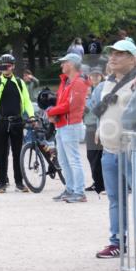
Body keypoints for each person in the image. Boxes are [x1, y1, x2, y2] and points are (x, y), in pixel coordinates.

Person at [94, 39, 136, 258]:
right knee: (114, 199)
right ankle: (117, 242)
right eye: (112, 53)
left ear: (133, 58)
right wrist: (99, 129)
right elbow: (103, 109)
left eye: (119, 54)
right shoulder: (107, 82)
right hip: (109, 150)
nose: (113, 57)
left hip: (131, 150)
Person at [0, 53, 34, 193]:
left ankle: (19, 183)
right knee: (1, 153)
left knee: (18, 153)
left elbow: (27, 100)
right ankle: (2, 183)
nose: (6, 68)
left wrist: (31, 115)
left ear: (12, 66)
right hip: (1, 121)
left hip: (17, 121)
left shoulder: (19, 82)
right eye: (3, 65)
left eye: (8, 65)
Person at [47, 53, 89, 203]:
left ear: (71, 64)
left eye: (63, 62)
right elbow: (62, 103)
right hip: (63, 124)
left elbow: (71, 105)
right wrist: (54, 113)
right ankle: (70, 189)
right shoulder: (67, 81)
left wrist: (51, 112)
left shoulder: (78, 82)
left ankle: (79, 192)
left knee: (73, 160)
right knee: (64, 160)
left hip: (71, 124)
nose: (61, 65)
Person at [84, 68, 105, 195]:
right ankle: (97, 182)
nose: (95, 77)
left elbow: (91, 107)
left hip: (96, 125)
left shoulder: (102, 89)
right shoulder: (89, 89)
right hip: (89, 125)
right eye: (93, 75)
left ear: (101, 76)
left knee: (96, 156)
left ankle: (100, 183)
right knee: (92, 155)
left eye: (97, 75)